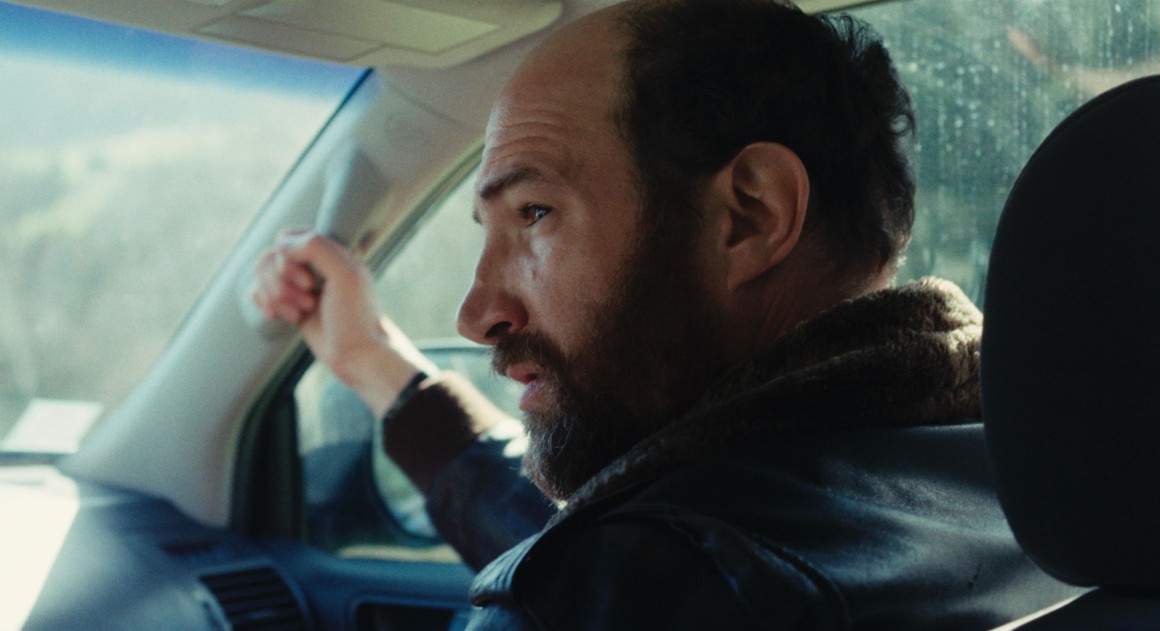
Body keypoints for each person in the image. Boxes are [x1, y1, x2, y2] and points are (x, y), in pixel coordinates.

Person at [254, 0, 1079, 627]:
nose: (477, 314)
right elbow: (650, 525)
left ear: (750, 214)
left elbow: (637, 564)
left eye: (535, 213)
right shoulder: (1038, 485)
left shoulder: (629, 591)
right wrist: (375, 365)